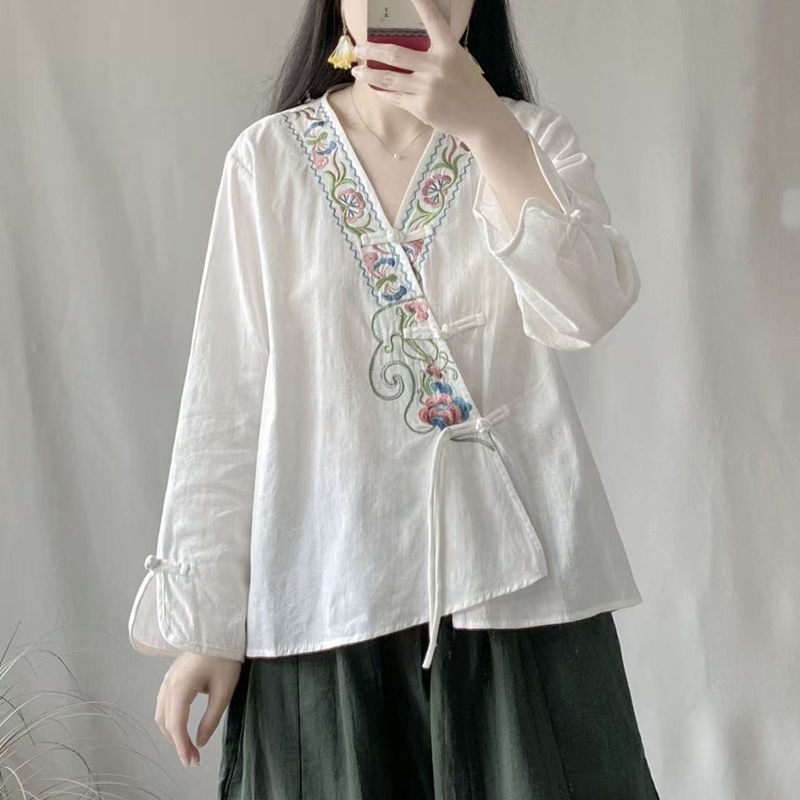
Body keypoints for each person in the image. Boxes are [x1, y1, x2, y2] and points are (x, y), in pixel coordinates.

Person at [127, 0, 660, 796]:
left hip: (521, 606)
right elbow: (226, 400)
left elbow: (585, 309)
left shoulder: (531, 139)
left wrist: (487, 130)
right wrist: (208, 629)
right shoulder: (268, 161)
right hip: (327, 590)